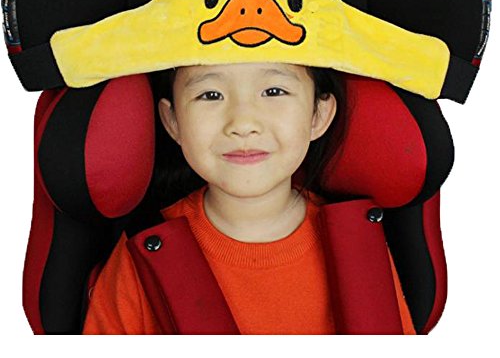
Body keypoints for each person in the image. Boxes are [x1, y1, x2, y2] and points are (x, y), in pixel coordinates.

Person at [82, 62, 415, 335]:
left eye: (274, 91)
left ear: (318, 114)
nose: (242, 124)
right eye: (210, 95)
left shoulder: (356, 245)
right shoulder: (142, 254)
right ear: (172, 121)